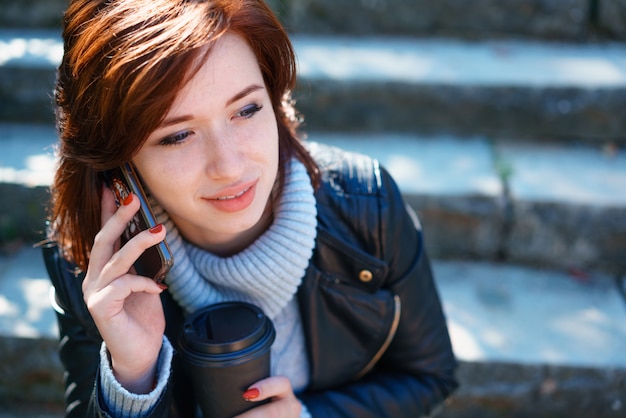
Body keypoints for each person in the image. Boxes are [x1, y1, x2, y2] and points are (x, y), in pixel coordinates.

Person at [42, 0, 459, 416]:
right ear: (121, 165)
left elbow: (430, 376)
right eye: (177, 136)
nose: (230, 166)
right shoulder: (96, 271)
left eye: (246, 109)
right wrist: (133, 376)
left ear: (275, 101)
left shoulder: (366, 205)